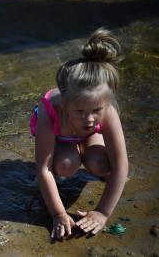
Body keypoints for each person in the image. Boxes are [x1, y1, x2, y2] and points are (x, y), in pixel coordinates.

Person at [30, 28, 128, 240]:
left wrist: (102, 213)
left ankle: (89, 153)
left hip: (89, 136)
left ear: (105, 104)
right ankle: (72, 154)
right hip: (61, 136)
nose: (90, 119)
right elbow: (43, 169)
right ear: (65, 105)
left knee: (102, 165)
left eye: (96, 111)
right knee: (65, 166)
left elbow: (122, 166)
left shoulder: (107, 109)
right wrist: (58, 213)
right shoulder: (50, 112)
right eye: (80, 112)